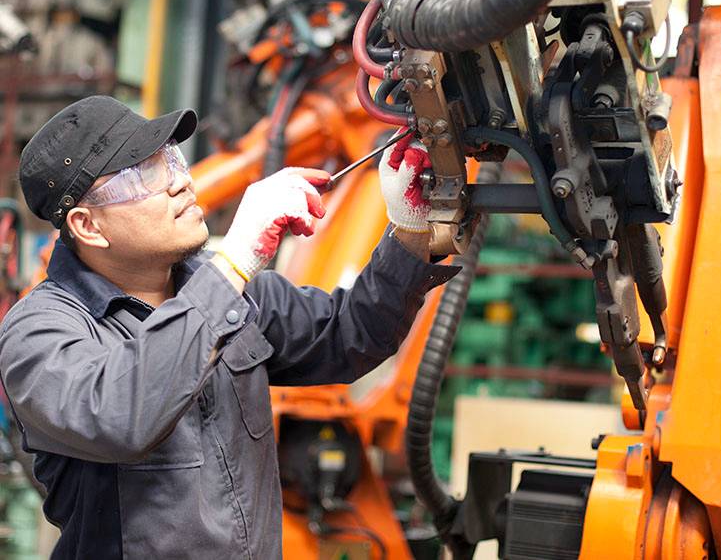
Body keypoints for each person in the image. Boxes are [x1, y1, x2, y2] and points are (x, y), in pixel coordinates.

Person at [0, 95, 456, 559]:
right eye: (145, 174)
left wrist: (409, 228)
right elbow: (119, 417)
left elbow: (354, 335)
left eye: (173, 160)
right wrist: (233, 264)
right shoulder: (39, 333)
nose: (181, 183)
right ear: (88, 226)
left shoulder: (236, 294)